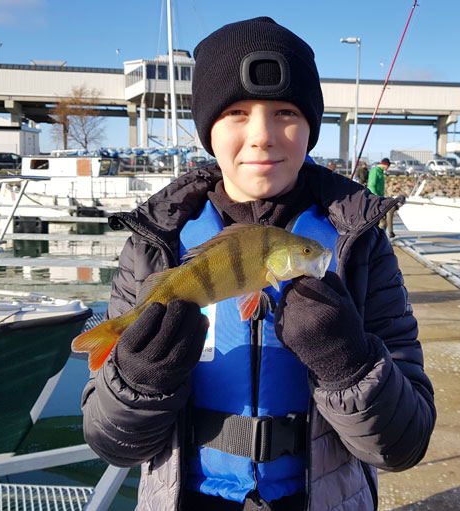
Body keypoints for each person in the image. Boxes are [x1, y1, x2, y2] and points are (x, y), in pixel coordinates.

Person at [81, 17, 436, 511]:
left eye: (286, 111)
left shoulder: (360, 247)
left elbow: (404, 444)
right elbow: (110, 443)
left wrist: (350, 364)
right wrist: (139, 380)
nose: (263, 135)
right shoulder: (155, 243)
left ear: (311, 125)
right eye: (236, 113)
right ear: (208, 128)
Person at [368, 158, 396, 237]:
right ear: (386, 165)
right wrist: (376, 199)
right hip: (376, 200)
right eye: (388, 166)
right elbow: (372, 185)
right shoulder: (375, 171)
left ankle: (381, 237)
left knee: (383, 220)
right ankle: (378, 238)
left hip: (380, 199)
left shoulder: (380, 172)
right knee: (381, 221)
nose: (388, 168)